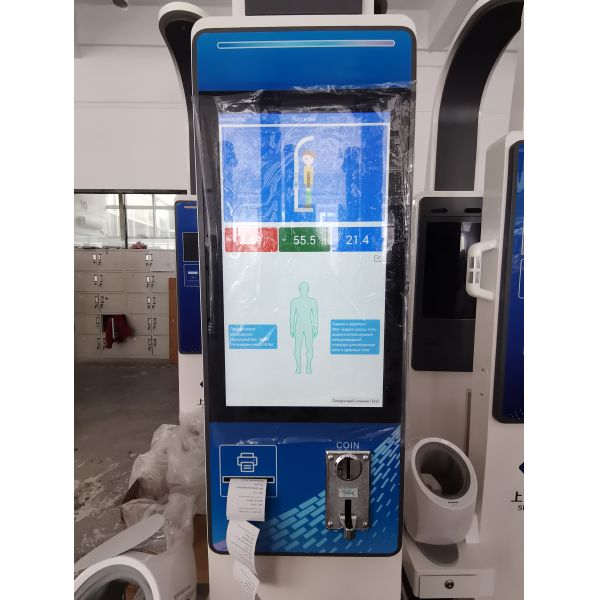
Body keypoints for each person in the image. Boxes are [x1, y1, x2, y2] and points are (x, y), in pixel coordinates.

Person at [290, 282, 318, 374]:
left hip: (308, 325)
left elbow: (315, 316)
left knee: (309, 346)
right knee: (297, 347)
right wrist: (291, 328)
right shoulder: (294, 302)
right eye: (302, 288)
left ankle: (308, 366)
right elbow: (292, 317)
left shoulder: (312, 301)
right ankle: (298, 366)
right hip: (299, 325)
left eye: (304, 288)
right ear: (299, 289)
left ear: (307, 289)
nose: (303, 290)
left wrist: (315, 328)